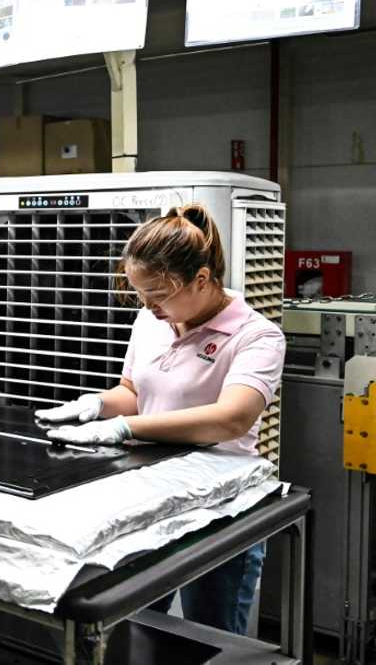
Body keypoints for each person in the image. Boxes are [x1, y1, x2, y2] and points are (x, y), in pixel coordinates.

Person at [34, 203, 285, 636]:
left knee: (213, 635)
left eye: (158, 294)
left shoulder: (256, 336)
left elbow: (231, 419)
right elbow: (133, 393)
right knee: (138, 627)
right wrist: (95, 405)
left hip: (219, 508)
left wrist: (125, 428)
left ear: (201, 279)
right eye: (140, 295)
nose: (147, 307)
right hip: (152, 500)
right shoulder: (151, 321)